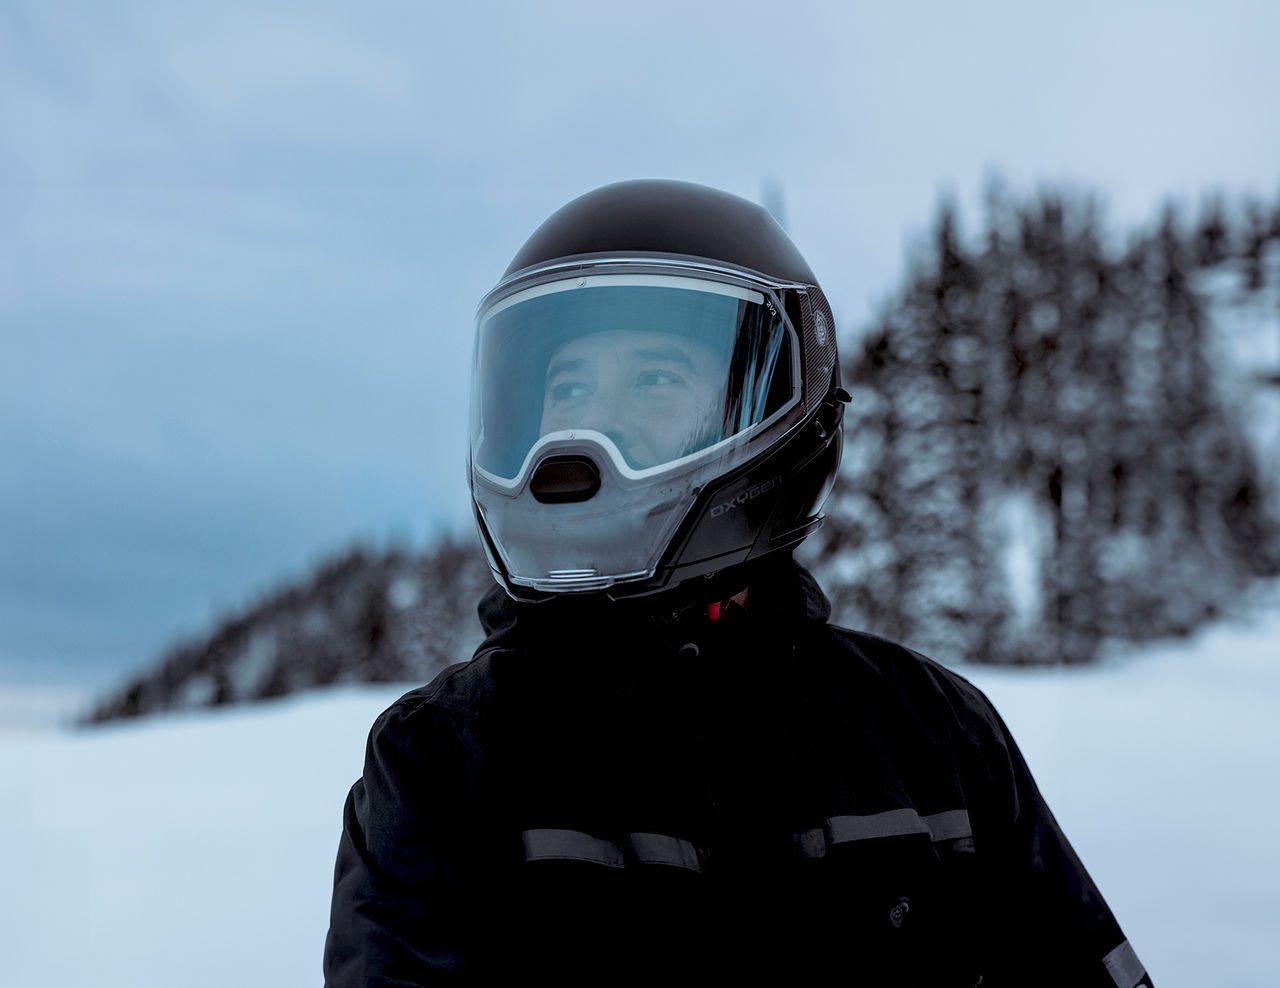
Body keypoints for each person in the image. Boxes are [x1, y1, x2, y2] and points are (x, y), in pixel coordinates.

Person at [323, 180, 1152, 985]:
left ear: (777, 410)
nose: (589, 426)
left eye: (654, 378)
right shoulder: (444, 762)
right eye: (568, 387)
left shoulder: (935, 739)